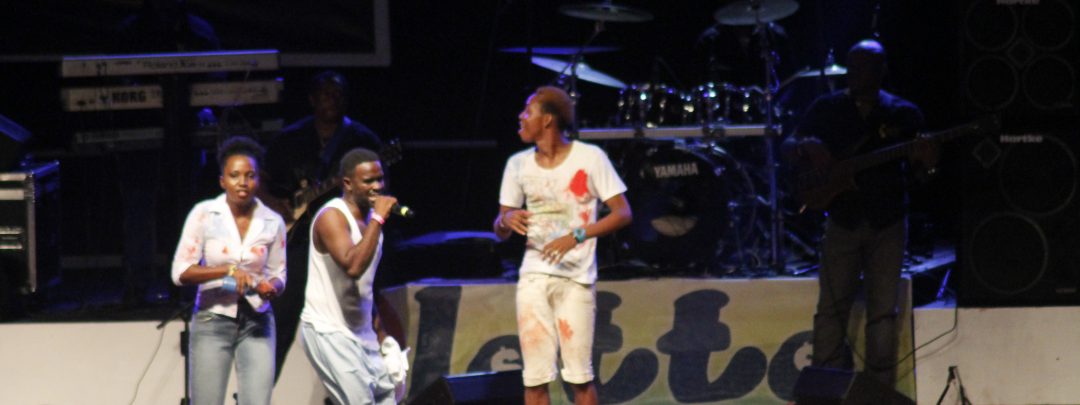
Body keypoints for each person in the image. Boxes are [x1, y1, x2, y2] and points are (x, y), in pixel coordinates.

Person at [783, 39, 938, 387]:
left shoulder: (903, 113)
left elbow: (921, 178)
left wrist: (928, 165)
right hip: (843, 219)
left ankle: (877, 392)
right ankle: (825, 390)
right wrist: (805, 145)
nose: (854, 74)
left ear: (881, 71)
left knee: (882, 314)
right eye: (851, 67)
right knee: (831, 311)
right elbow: (788, 145)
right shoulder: (827, 108)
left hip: (888, 220)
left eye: (862, 68)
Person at [494, 86, 633, 405]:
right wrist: (506, 220)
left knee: (580, 378)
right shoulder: (517, 165)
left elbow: (623, 213)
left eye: (528, 111)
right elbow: (501, 228)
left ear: (547, 120)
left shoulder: (590, 157)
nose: (521, 117)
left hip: (576, 280)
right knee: (535, 379)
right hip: (533, 277)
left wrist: (577, 235)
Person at [261, 70, 384, 381]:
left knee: (356, 320)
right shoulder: (290, 139)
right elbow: (260, 181)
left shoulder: (362, 140)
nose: (332, 99)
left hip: (345, 243)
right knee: (282, 319)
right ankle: (256, 394)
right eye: (326, 94)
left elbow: (379, 190)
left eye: (338, 93)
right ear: (312, 99)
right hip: (298, 244)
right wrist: (276, 203)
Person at [171, 136, 286, 405]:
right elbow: (180, 272)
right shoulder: (205, 214)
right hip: (213, 318)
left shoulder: (272, 221)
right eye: (234, 176)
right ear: (223, 180)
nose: (242, 182)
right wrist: (227, 270)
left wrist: (272, 287)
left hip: (257, 320)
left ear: (259, 180)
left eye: (250, 176)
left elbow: (278, 273)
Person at [299, 148, 398, 405]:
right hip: (328, 330)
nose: (377, 186)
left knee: (387, 397)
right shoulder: (331, 217)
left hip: (363, 334)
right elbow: (353, 267)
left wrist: (383, 336)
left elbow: (365, 288)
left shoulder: (372, 223)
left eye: (380, 179)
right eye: (368, 181)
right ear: (348, 184)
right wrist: (378, 218)